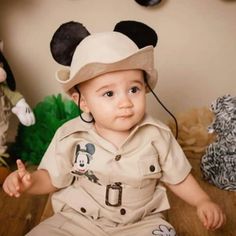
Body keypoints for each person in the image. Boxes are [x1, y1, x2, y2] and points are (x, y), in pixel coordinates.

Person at [3, 21, 225, 236]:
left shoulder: (157, 135)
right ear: (82, 102)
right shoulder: (70, 136)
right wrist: (29, 182)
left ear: (145, 88)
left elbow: (179, 177)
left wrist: (202, 201)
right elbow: (51, 177)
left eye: (134, 89)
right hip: (77, 220)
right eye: (109, 94)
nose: (125, 102)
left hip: (141, 223)